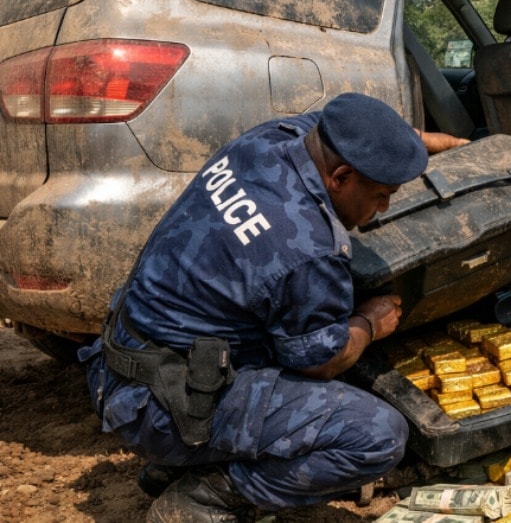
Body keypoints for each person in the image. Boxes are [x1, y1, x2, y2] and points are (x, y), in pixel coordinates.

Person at [79, 93, 468, 521]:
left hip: (125, 363)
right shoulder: (307, 247)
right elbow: (321, 361)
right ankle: (210, 496)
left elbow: (331, 121)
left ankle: (185, 461)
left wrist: (414, 143)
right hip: (161, 407)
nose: (383, 208)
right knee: (377, 435)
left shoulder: (267, 141)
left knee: (272, 325)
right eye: (380, 194)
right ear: (340, 176)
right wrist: (370, 323)